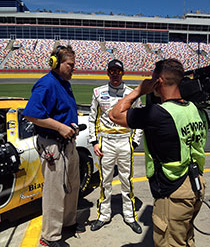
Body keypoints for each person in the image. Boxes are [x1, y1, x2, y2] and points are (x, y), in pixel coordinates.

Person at [109, 58, 208, 247]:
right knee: (186, 239)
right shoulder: (195, 109)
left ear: (158, 81)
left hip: (173, 192)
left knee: (169, 242)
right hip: (195, 185)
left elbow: (115, 114)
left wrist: (140, 90)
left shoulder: (158, 114)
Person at [23, 45, 84, 247]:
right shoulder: (46, 84)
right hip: (53, 146)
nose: (74, 68)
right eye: (70, 65)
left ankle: (67, 222)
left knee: (71, 186)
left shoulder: (63, 82)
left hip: (68, 143)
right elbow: (31, 114)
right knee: (54, 191)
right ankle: (50, 236)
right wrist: (59, 127)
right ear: (56, 63)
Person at [89, 59, 143, 234]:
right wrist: (94, 141)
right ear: (107, 73)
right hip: (106, 142)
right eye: (112, 71)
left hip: (125, 140)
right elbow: (92, 119)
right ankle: (104, 216)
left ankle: (130, 216)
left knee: (127, 180)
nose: (115, 75)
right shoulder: (98, 92)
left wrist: (135, 141)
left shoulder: (132, 94)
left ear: (123, 73)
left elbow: (139, 120)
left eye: (118, 71)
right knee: (105, 181)